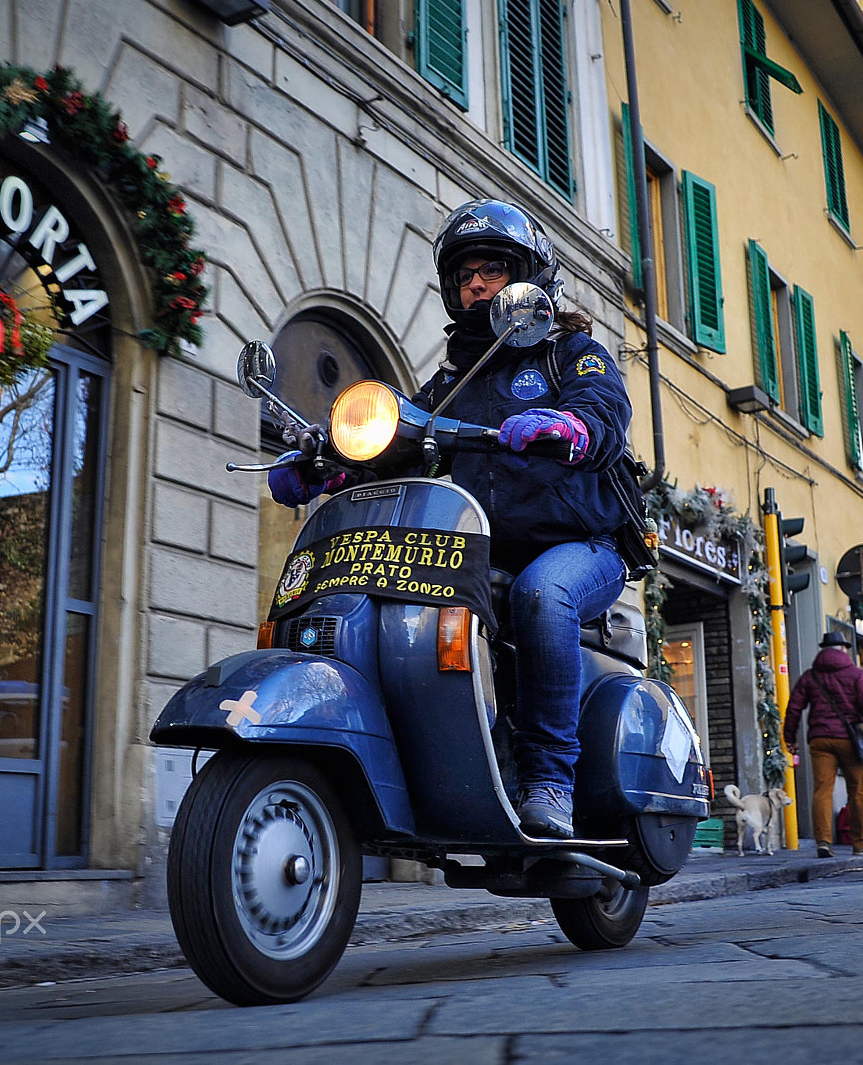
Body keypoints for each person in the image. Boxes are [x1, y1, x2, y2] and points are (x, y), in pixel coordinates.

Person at [267, 198, 635, 840]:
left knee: (542, 594)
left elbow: (605, 409)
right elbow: (397, 439)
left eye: (490, 269)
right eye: (464, 275)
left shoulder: (569, 352)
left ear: (528, 276)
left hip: (585, 545)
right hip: (485, 548)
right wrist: (326, 464)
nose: (474, 284)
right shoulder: (451, 383)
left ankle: (549, 778)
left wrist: (570, 425)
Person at [785, 631, 863, 858]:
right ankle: (860, 843)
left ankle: (823, 841)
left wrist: (789, 738)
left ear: (824, 649)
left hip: (820, 740)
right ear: (843, 649)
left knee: (822, 791)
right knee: (858, 792)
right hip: (851, 741)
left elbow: (794, 707)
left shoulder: (810, 676)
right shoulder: (855, 675)